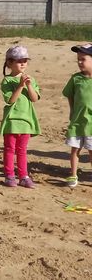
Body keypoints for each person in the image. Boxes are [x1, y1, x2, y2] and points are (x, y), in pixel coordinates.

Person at [0, 46, 41, 188]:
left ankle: (24, 176)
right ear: (9, 63)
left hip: (26, 121)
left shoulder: (31, 79)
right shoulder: (7, 81)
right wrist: (20, 85)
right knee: (10, 149)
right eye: (19, 61)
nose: (23, 63)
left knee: (22, 150)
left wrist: (28, 85)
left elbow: (34, 98)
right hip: (12, 121)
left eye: (25, 60)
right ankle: (9, 175)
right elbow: (10, 100)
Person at [62, 43, 92, 188]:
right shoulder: (76, 79)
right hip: (78, 122)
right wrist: (72, 110)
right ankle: (73, 174)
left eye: (83, 59)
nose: (80, 62)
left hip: (91, 124)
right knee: (75, 149)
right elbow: (69, 95)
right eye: (78, 59)